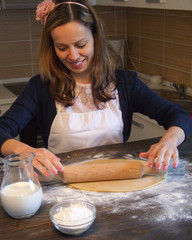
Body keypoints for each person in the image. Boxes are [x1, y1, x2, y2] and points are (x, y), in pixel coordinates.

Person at [0, 0, 192, 178]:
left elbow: (178, 116)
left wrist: (169, 141)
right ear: (52, 47)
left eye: (81, 44)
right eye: (62, 47)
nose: (73, 55)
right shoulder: (40, 87)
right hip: (63, 185)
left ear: (96, 38)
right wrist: (24, 150)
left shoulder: (126, 83)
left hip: (116, 180)